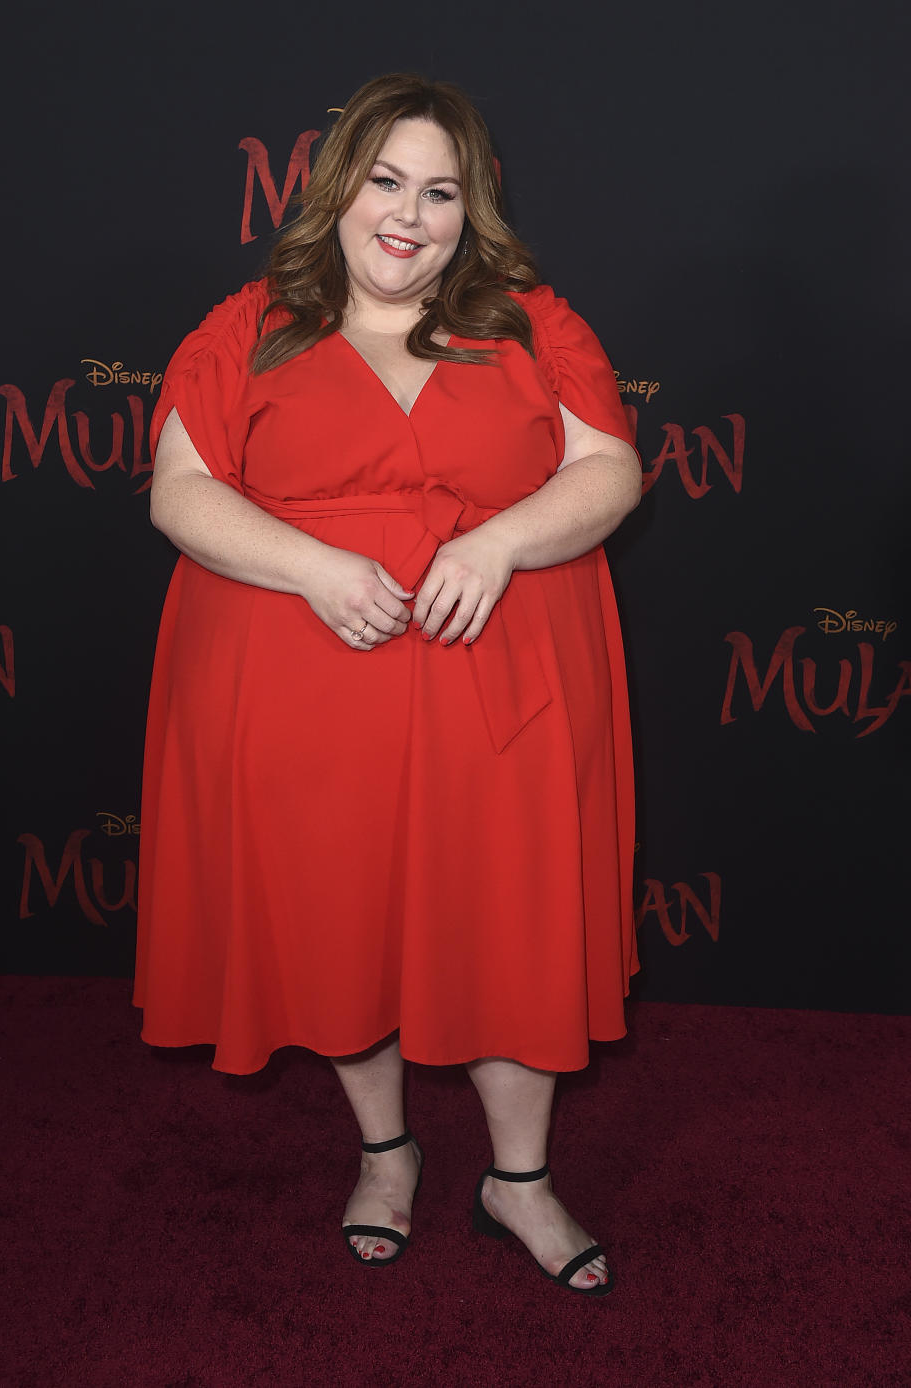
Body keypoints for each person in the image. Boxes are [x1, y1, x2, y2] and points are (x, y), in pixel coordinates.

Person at [133, 72, 641, 1296]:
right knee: (343, 927)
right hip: (310, 690)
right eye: (386, 179)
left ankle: (518, 1179)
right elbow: (180, 491)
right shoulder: (246, 324)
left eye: (442, 191)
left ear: (473, 215)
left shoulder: (529, 321)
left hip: (501, 683)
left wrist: (500, 538)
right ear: (337, 186)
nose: (408, 213)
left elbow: (610, 467)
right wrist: (311, 563)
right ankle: (387, 1149)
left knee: (512, 929)